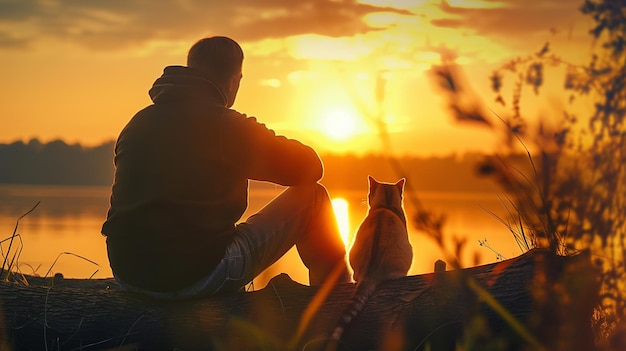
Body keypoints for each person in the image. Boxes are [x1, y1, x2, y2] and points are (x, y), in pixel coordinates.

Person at [101, 36, 350, 299]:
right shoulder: (226, 126)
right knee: (314, 198)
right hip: (193, 278)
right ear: (234, 81)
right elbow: (311, 167)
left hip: (127, 273)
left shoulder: (138, 123)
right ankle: (339, 302)